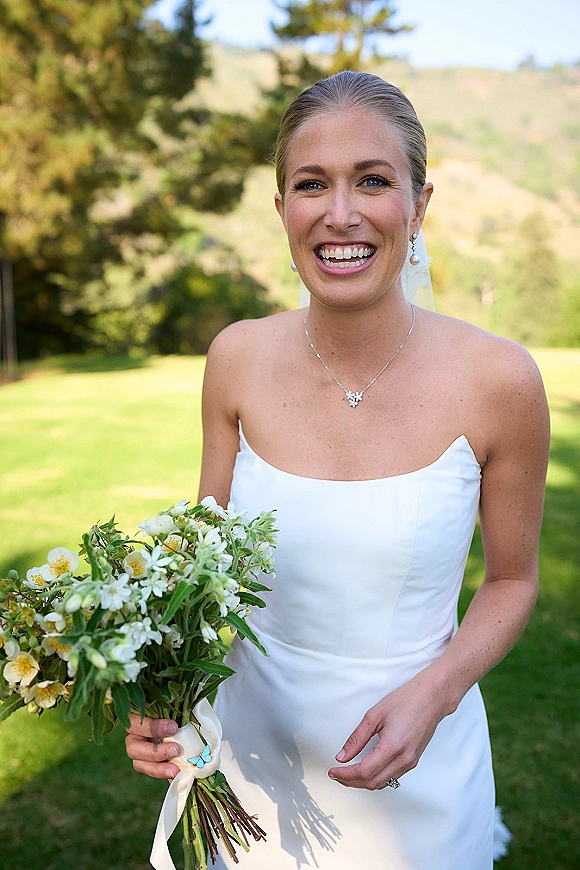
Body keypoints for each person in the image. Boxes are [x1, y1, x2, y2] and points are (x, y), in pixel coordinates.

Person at [125, 71, 550, 869]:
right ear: (282, 206)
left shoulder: (502, 381)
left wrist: (439, 692)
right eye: (312, 184)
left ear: (420, 205)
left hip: (419, 770)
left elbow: (512, 582)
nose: (341, 214)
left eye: (374, 181)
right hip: (250, 762)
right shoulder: (236, 359)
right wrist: (160, 702)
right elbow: (197, 574)